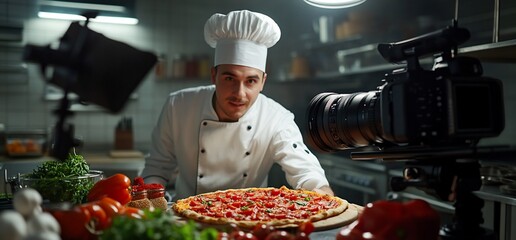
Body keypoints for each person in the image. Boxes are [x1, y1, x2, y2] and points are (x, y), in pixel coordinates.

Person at [141, 10, 333, 201]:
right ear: (214, 76)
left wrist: (319, 190)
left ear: (263, 82)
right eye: (230, 78)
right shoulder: (179, 106)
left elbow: (304, 168)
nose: (239, 93)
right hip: (186, 222)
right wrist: (151, 201)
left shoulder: (277, 118)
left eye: (251, 81)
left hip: (249, 219)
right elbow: (157, 167)